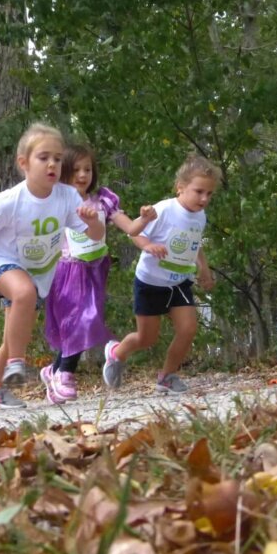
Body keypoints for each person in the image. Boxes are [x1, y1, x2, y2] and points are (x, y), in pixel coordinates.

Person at [0, 123, 104, 409]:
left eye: (57, 158)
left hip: (38, 272)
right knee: (24, 293)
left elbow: (92, 236)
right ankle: (18, 363)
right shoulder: (10, 200)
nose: (52, 164)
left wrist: (94, 223)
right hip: (3, 262)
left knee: (14, 334)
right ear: (24, 163)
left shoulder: (67, 197)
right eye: (44, 158)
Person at [39, 144, 156, 404]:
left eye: (88, 169)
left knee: (83, 321)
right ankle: (65, 374)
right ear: (64, 172)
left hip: (95, 269)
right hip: (68, 269)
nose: (83, 175)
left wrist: (144, 220)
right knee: (80, 321)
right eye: (76, 169)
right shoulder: (57, 202)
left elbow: (130, 228)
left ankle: (53, 371)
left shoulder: (102, 200)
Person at [102, 154, 219, 394]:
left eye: (209, 194)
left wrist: (203, 267)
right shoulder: (164, 209)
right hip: (150, 282)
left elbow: (195, 243)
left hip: (179, 282)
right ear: (181, 188)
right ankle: (116, 353)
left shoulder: (200, 216)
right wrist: (147, 246)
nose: (205, 198)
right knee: (147, 339)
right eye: (199, 192)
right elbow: (134, 232)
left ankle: (167, 376)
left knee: (188, 329)